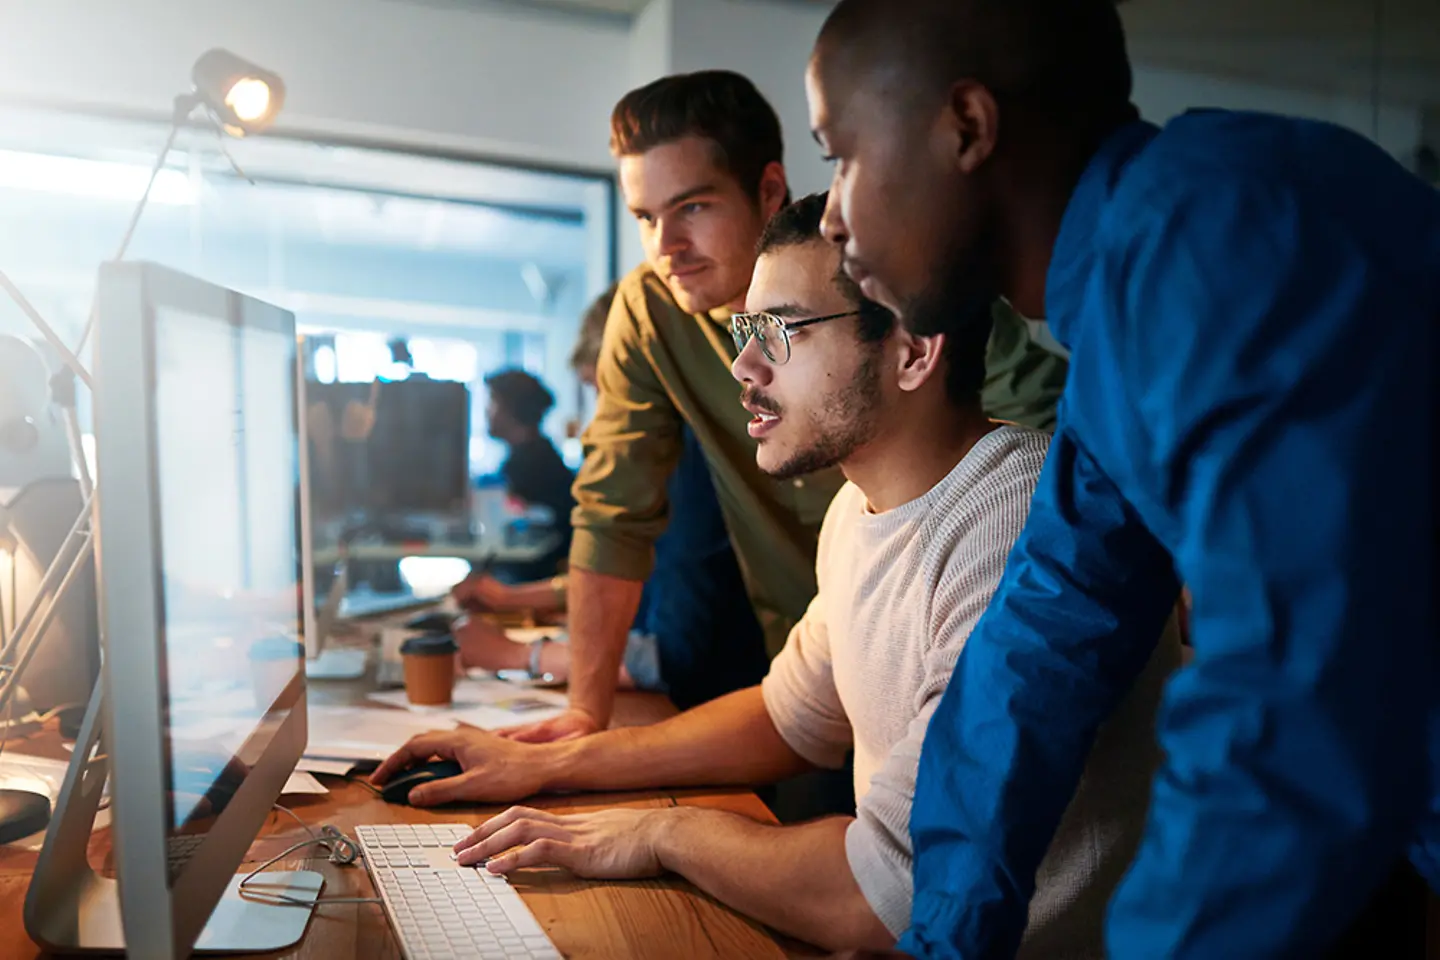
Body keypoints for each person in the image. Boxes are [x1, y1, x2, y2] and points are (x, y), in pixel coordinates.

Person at [372, 194, 1174, 954]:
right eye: (747, 328)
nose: (744, 365)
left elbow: (877, 896)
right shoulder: (857, 512)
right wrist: (550, 764)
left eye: (783, 331)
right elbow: (789, 715)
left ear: (915, 351)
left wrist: (661, 831)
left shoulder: (1013, 527)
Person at [805, 1, 1440, 957]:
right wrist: (943, 939)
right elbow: (1045, 634)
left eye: (840, 157)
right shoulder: (1130, 287)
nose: (833, 215)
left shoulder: (1213, 237)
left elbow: (1280, 717)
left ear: (967, 128)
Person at [505, 70, 1069, 745]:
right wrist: (583, 719)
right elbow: (611, 514)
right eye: (646, 218)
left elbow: (1046, 438)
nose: (665, 248)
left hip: (949, 617)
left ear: (769, 189)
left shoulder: (887, 270)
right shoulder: (650, 311)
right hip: (802, 654)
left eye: (693, 208)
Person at [455, 286, 771, 708]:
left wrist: (516, 654)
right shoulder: (673, 469)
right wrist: (514, 603)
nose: (595, 422)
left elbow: (678, 657)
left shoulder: (687, 473)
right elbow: (621, 580)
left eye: (602, 391)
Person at [483, 368, 574, 580]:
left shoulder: (534, 467)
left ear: (511, 410)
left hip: (532, 579)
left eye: (493, 403)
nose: (487, 412)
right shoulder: (529, 458)